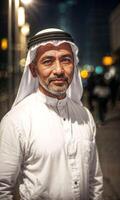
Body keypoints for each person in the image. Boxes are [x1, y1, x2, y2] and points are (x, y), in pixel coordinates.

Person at [0, 28, 103, 200]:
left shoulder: (85, 116)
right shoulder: (16, 121)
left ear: (73, 65)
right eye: (48, 61)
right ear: (33, 70)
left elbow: (95, 181)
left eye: (66, 60)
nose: (59, 70)